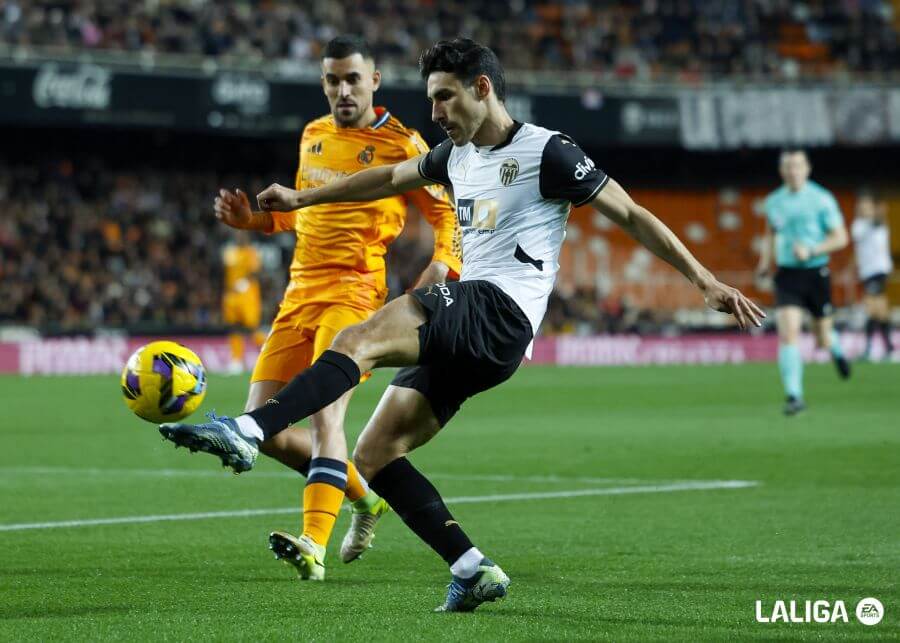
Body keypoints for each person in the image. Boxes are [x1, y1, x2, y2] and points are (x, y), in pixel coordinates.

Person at [161, 38, 763, 611]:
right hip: (487, 339)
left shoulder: (548, 151)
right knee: (373, 453)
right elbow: (390, 179)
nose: (435, 111)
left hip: (498, 309)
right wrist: (300, 200)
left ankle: (248, 428)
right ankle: (471, 569)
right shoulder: (455, 155)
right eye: (430, 99)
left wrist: (704, 280)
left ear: (482, 88)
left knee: (357, 340)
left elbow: (630, 214)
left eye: (445, 97)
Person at [209, 35, 462, 581]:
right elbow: (303, 213)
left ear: (375, 80)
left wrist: (443, 265)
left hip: (353, 293)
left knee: (328, 418)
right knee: (270, 431)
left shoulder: (403, 142)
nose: (342, 89)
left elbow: (447, 215)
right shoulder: (313, 135)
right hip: (298, 295)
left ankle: (312, 545)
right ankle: (364, 497)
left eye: (352, 78)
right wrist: (251, 221)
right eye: (332, 80)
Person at [756, 149, 851, 416]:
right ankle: (794, 396)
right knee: (789, 333)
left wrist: (812, 250)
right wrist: (765, 261)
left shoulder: (821, 199)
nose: (792, 170)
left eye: (797, 165)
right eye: (787, 166)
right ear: (781, 170)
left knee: (821, 337)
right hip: (787, 275)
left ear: (807, 169)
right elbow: (770, 232)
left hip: (816, 272)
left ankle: (835, 348)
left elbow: (841, 237)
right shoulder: (774, 201)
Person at [851, 192, 894, 360]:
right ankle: (889, 348)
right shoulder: (858, 225)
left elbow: (878, 221)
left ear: (872, 206)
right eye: (862, 205)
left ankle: (869, 349)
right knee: (880, 311)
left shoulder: (880, 222)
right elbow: (859, 246)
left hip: (878, 271)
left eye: (867, 205)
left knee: (871, 308)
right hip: (867, 273)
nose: (864, 208)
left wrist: (881, 212)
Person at [221, 231, 266, 374]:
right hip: (231, 295)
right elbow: (225, 273)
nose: (239, 237)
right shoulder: (230, 252)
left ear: (247, 237)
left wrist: (245, 282)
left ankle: (269, 353)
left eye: (242, 235)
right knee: (234, 327)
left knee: (252, 329)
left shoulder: (251, 253)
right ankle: (236, 361)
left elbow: (256, 272)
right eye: (237, 235)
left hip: (247, 295)